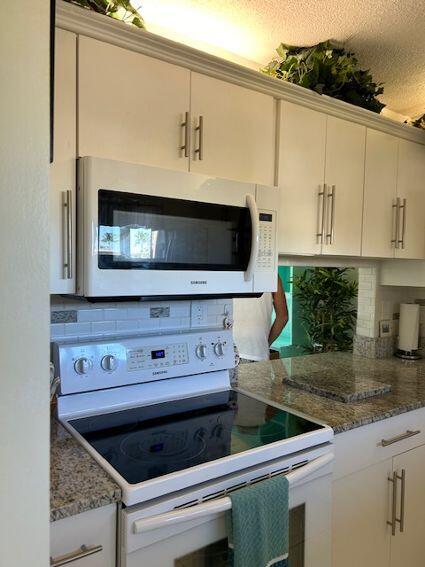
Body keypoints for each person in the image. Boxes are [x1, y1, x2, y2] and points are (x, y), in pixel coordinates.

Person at [233, 274, 288, 362]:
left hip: (225, 349)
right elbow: (283, 317)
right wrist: (266, 343)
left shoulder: (225, 270)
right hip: (256, 350)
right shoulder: (271, 274)